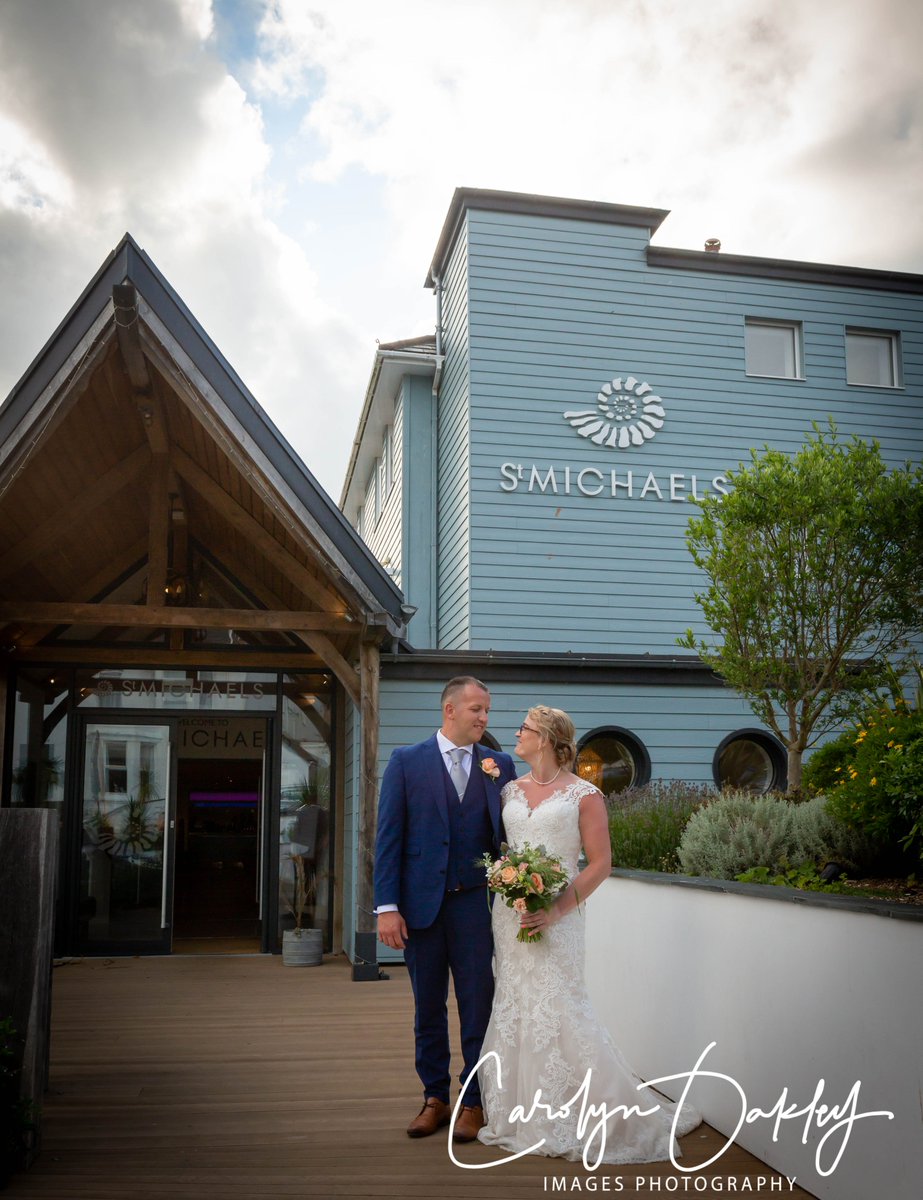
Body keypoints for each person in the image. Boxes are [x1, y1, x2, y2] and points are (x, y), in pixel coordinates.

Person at [476, 705, 701, 1165]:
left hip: (559, 916)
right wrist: (508, 884)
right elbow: (503, 850)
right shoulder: (508, 791)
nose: (516, 734)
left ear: (546, 739)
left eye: (524, 729)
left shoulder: (585, 795)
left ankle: (589, 1112)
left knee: (559, 1005)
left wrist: (555, 910)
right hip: (511, 913)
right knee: (516, 1001)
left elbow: (600, 864)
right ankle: (521, 1113)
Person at [374, 676, 517, 1142]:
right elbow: (389, 839)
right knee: (428, 1007)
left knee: (479, 1005)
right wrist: (387, 907)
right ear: (449, 710)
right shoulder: (406, 761)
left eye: (488, 711)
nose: (484, 718)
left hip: (477, 907)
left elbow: (512, 841)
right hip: (420, 910)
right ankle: (435, 1097)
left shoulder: (500, 765)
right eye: (476, 709)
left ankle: (474, 1100)